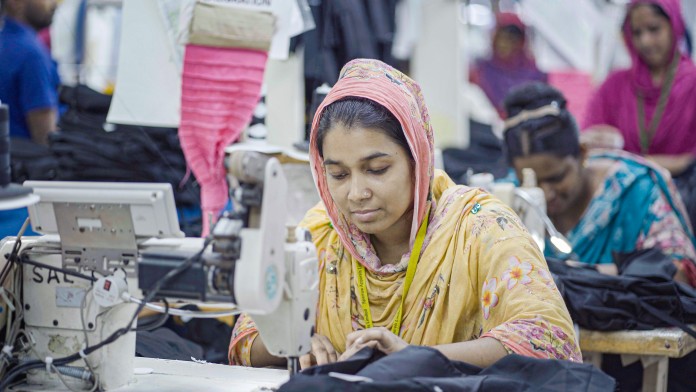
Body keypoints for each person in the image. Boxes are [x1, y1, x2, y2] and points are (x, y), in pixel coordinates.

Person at [229, 59, 581, 369]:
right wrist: (293, 344)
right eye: (338, 174)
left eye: (377, 169)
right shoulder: (320, 235)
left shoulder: (481, 228)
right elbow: (245, 337)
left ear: (419, 159)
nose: (355, 193)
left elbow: (548, 339)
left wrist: (417, 357)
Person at [503, 82, 696, 287]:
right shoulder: (510, 198)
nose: (546, 193)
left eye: (556, 178)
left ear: (582, 153)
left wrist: (585, 275)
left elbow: (679, 275)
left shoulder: (636, 191)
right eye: (530, 182)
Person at [583, 0, 696, 176]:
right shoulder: (614, 86)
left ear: (675, 26)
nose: (645, 41)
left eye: (654, 29)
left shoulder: (692, 84)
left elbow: (691, 161)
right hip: (624, 191)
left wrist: (638, 164)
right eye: (637, 32)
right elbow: (590, 146)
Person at [0, 0, 59, 145]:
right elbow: (45, 136)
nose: (54, 3)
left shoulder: (6, 42)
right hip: (28, 161)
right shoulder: (31, 54)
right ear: (15, 2)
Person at [470, 12, 547, 119]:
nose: (504, 44)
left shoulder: (536, 76)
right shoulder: (479, 72)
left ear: (521, 42)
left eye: (511, 39)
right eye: (500, 38)